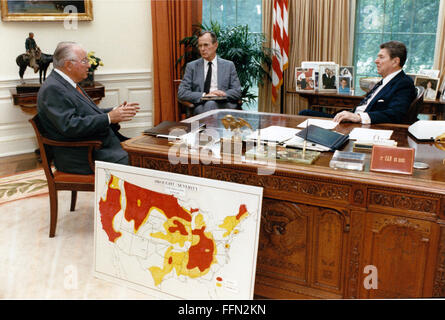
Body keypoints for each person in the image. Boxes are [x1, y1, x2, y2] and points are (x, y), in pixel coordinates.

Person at [37, 41, 140, 174]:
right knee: (142, 162)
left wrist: (115, 111)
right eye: (84, 61)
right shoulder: (53, 88)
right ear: (69, 65)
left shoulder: (67, 83)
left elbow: (86, 113)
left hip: (97, 147)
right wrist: (109, 118)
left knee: (145, 153)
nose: (89, 65)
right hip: (82, 156)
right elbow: (70, 126)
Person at [300, 41, 416, 124]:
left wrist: (358, 117)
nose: (376, 61)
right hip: (352, 118)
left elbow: (395, 114)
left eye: (381, 57)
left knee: (304, 115)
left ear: (395, 61)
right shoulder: (386, 80)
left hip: (361, 125)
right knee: (305, 113)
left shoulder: (403, 83)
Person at [178, 31, 242, 115]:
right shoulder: (192, 67)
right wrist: (204, 95)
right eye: (200, 46)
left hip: (224, 105)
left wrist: (223, 94)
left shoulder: (228, 65)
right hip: (202, 106)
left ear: (215, 45)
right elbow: (182, 93)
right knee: (210, 104)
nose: (202, 49)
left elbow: (237, 91)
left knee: (212, 105)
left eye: (206, 45)